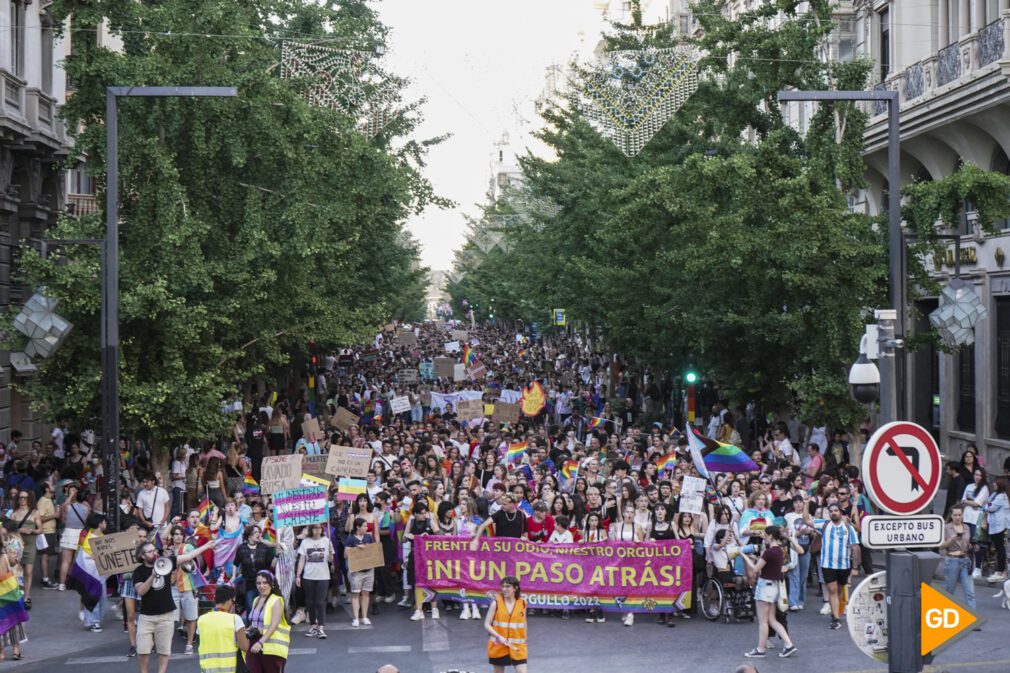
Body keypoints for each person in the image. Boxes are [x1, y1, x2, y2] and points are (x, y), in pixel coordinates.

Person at [134, 536, 217, 673]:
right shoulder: (138, 571)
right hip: (146, 617)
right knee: (143, 650)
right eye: (150, 552)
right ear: (142, 556)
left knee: (164, 650)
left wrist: (206, 546)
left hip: (166, 615)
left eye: (154, 550)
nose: (154, 553)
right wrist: (153, 575)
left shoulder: (167, 561)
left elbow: (188, 556)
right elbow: (142, 591)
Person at [740, 525, 797, 659]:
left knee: (763, 621)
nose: (764, 537)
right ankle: (789, 644)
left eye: (765, 535)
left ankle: (761, 649)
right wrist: (755, 558)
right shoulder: (778, 551)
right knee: (772, 619)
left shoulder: (769, 552)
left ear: (770, 536)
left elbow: (755, 569)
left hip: (765, 587)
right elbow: (766, 564)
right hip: (774, 587)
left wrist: (743, 555)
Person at [805, 502, 860, 630]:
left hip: (844, 565)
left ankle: (837, 612)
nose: (833, 513)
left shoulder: (848, 527)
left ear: (840, 512)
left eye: (836, 510)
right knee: (833, 590)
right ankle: (835, 618)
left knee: (840, 590)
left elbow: (855, 547)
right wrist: (806, 503)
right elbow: (807, 520)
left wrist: (855, 567)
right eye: (831, 511)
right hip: (827, 564)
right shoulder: (823, 524)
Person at [196, 584, 250, 673]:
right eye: (233, 602)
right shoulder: (234, 619)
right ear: (229, 601)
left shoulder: (201, 620)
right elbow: (245, 647)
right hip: (230, 669)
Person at [247, 570, 290, 673]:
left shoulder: (277, 600)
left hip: (270, 647)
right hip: (254, 643)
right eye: (259, 583)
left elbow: (274, 624)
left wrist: (260, 642)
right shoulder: (256, 600)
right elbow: (254, 622)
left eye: (265, 583)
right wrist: (247, 630)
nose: (262, 586)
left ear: (272, 584)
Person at [939, 505, 977, 617]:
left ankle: (973, 619)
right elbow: (941, 546)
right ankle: (946, 618)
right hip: (952, 561)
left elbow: (968, 544)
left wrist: (973, 546)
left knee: (970, 592)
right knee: (949, 591)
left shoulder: (967, 528)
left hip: (965, 560)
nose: (957, 517)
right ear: (951, 516)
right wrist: (952, 539)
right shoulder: (946, 528)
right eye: (955, 515)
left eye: (959, 515)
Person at [296, 523, 333, 638]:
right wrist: (298, 575)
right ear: (311, 529)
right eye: (315, 528)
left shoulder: (327, 541)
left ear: (321, 529)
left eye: (319, 528)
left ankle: (321, 627)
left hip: (323, 576)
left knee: (320, 602)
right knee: (310, 602)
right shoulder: (305, 542)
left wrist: (331, 552)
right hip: (308, 576)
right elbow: (302, 559)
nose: (317, 530)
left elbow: (330, 560)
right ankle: (313, 626)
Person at [484, 575, 528, 673]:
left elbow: (524, 623)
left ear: (515, 588)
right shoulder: (496, 603)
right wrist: (498, 636)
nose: (504, 589)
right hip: (499, 645)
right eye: (502, 586)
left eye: (508, 586)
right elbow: (487, 624)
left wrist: (524, 639)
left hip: (517, 646)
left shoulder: (523, 603)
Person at [345, 516, 376, 628]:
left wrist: (368, 548)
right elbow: (345, 555)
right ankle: (356, 618)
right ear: (357, 527)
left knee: (366, 593)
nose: (366, 528)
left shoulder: (368, 537)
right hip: (356, 571)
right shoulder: (350, 539)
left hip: (368, 570)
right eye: (364, 526)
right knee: (355, 593)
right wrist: (357, 549)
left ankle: (364, 616)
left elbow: (373, 551)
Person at [983, 476, 1009, 582]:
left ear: (999, 485)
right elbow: (988, 503)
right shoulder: (995, 495)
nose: (993, 484)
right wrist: (987, 504)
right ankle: (1001, 571)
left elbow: (990, 507)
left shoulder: (1001, 497)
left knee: (1000, 549)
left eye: (995, 483)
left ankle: (1001, 572)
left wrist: (986, 505)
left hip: (999, 526)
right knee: (998, 548)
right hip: (995, 525)